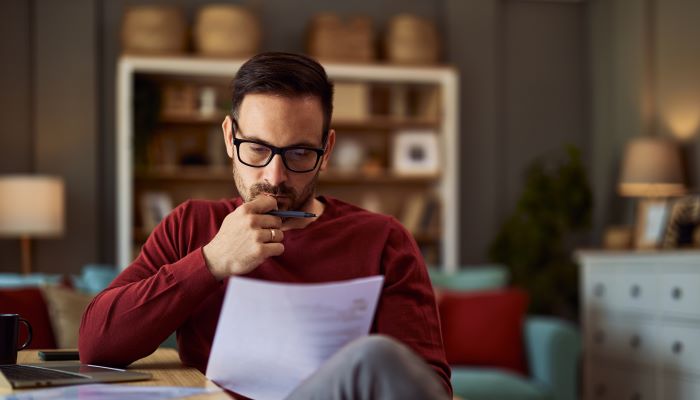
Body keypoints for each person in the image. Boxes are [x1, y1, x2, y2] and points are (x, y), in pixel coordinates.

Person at [79, 52, 451, 399]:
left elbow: (427, 385)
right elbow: (96, 345)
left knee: (377, 357)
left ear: (327, 151)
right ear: (229, 137)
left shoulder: (384, 240)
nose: (275, 176)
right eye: (257, 148)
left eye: (300, 153)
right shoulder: (191, 224)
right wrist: (210, 263)